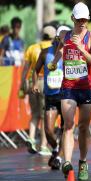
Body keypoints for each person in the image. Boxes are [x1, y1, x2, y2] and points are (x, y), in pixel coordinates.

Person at [48, 2, 91, 180]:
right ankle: (67, 162)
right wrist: (55, 62)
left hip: (86, 88)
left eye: (85, 20)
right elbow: (60, 49)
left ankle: (83, 162)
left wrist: (80, 48)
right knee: (68, 125)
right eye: (79, 20)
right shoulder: (65, 35)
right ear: (73, 19)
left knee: (84, 128)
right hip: (69, 88)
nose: (82, 23)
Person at [32, 25, 71, 169]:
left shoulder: (69, 53)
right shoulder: (44, 53)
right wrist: (35, 83)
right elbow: (35, 70)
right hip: (50, 96)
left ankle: (59, 157)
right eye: (61, 37)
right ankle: (55, 148)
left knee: (65, 128)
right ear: (56, 38)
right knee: (48, 129)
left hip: (66, 96)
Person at [19, 25, 56, 156]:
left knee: (35, 114)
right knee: (46, 115)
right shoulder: (53, 49)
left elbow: (25, 69)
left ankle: (31, 137)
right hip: (46, 83)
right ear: (54, 36)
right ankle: (44, 146)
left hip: (32, 83)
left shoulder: (32, 48)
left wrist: (22, 84)